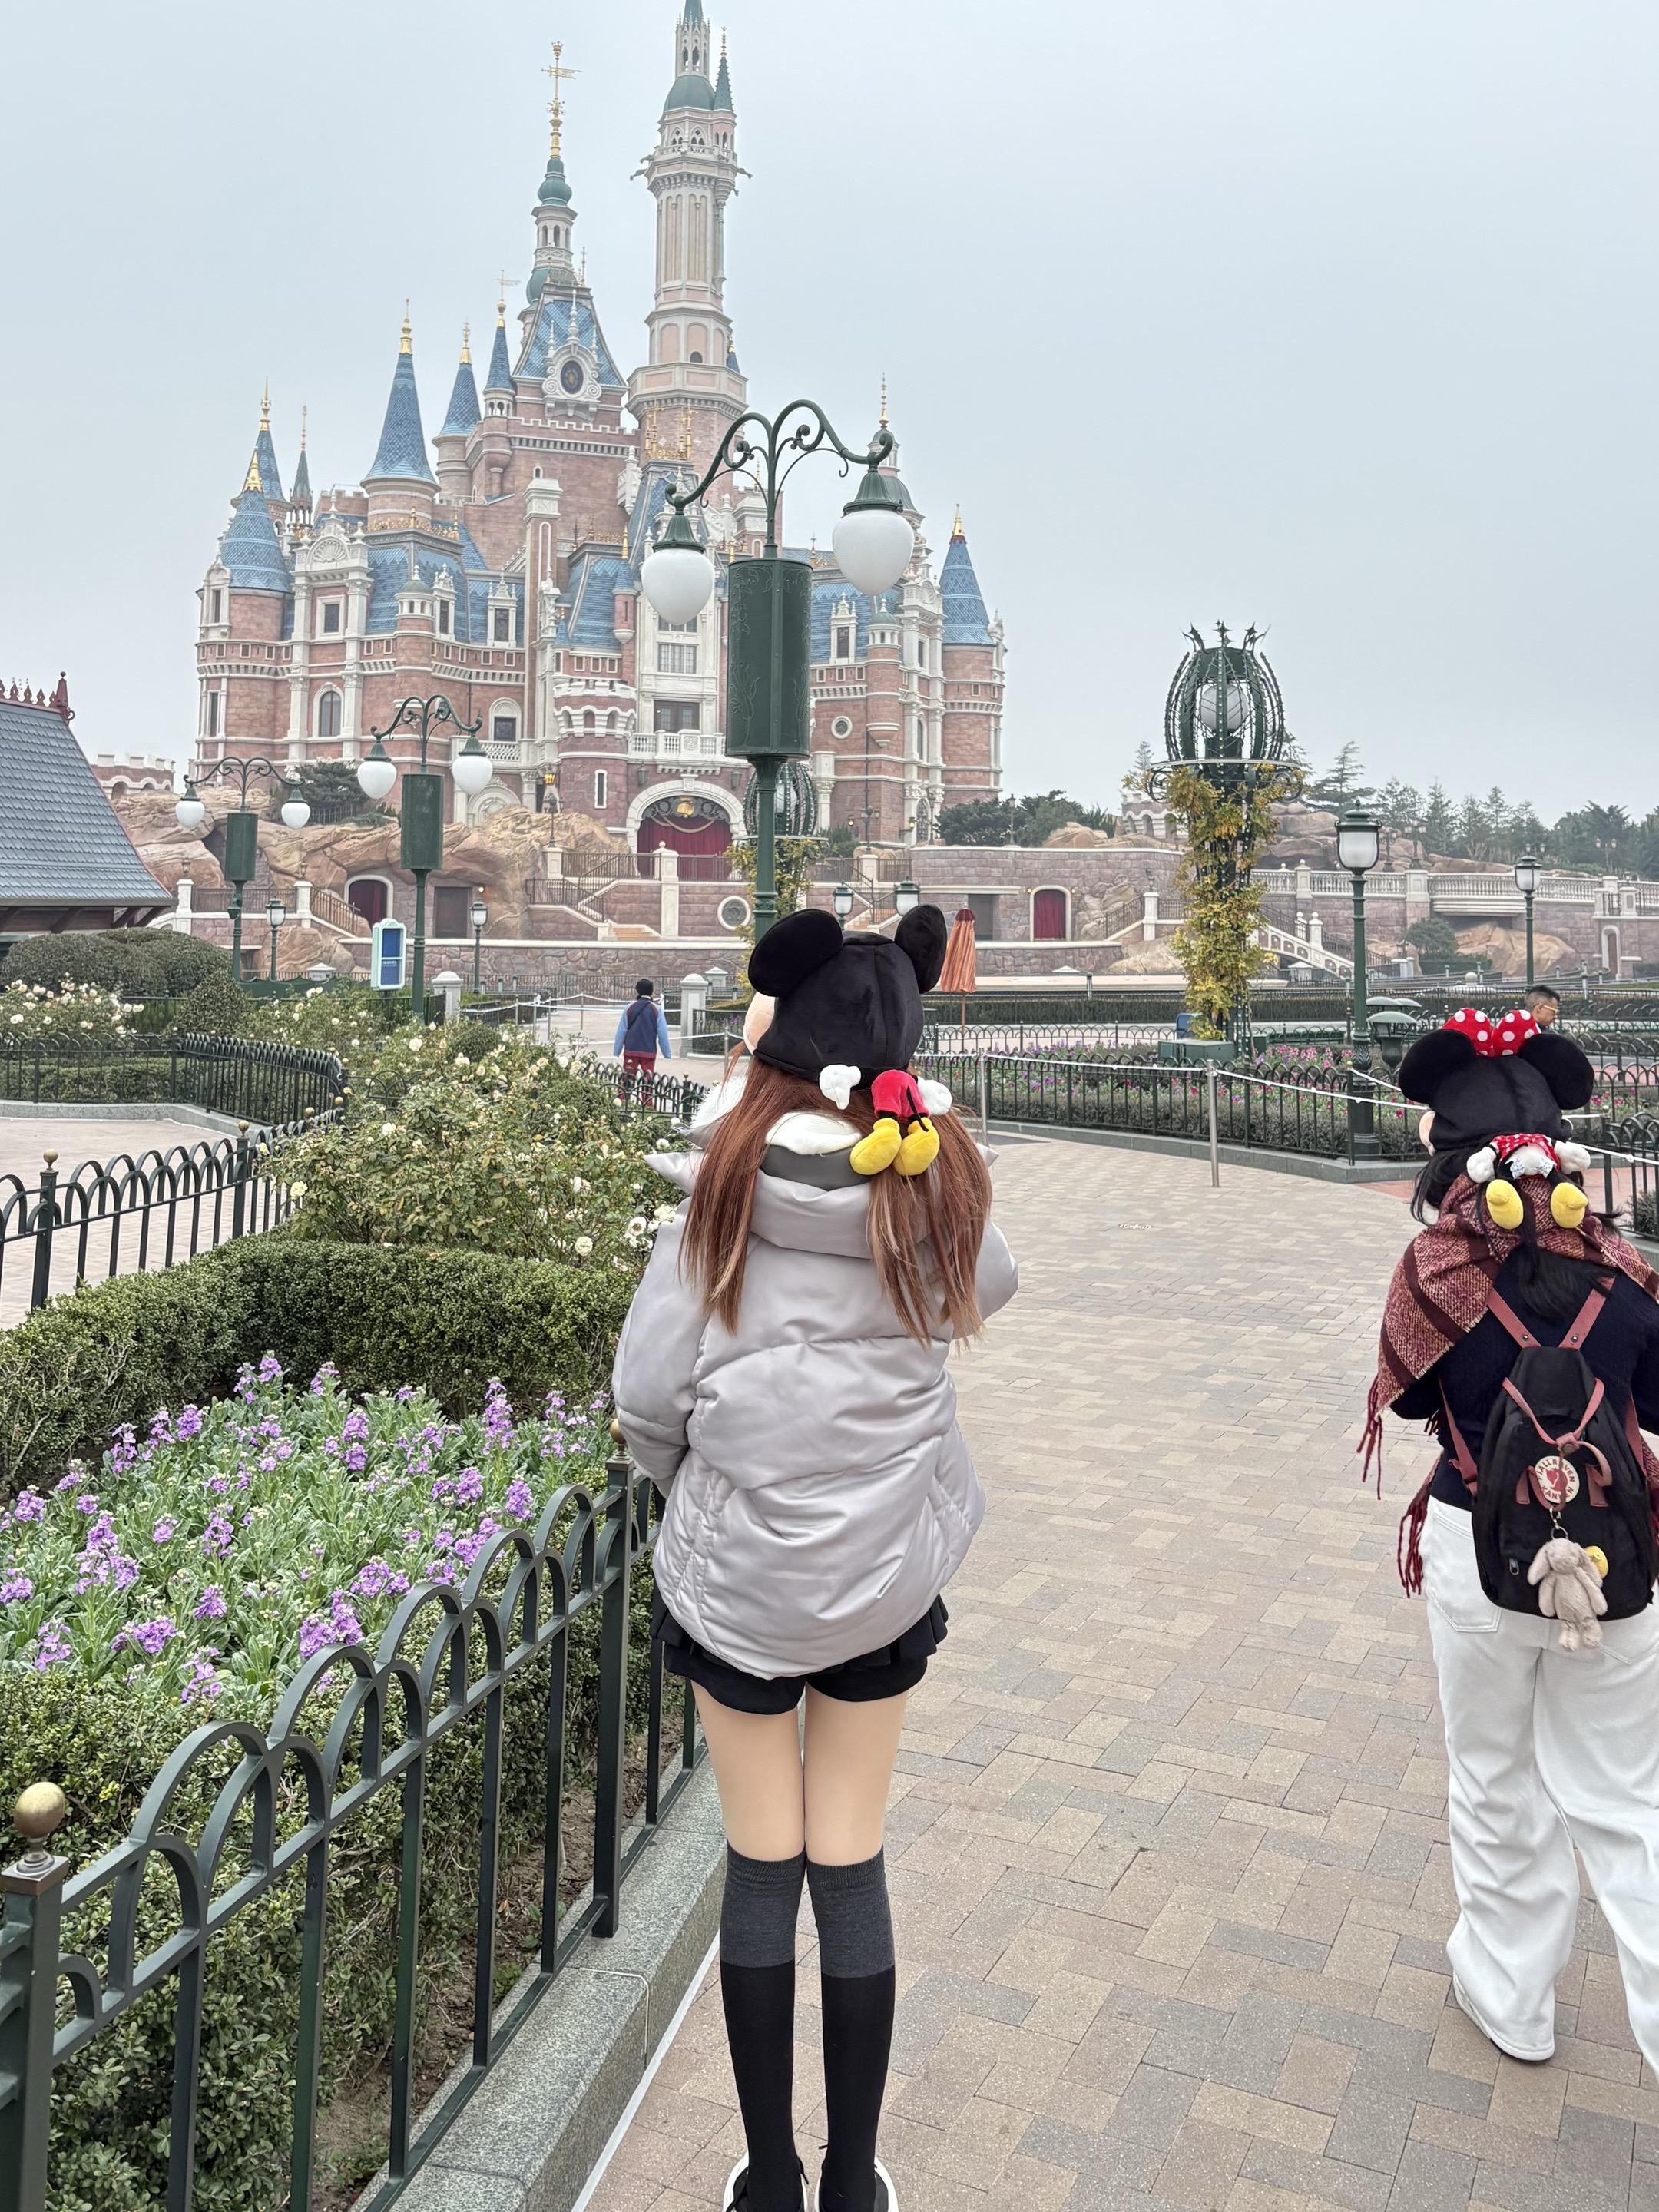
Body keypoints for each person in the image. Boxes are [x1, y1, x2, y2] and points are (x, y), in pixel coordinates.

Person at [613, 906, 1018, 2212]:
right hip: (882, 1585)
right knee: (849, 1857)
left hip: (739, 1592)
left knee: (760, 1859)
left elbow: (648, 1405)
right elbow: (992, 1287)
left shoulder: (718, 1204)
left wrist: (704, 1496)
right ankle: (852, 2179)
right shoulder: (933, 1201)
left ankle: (771, 2182)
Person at [1363, 1004, 1659, 2070]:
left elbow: (1408, 1401)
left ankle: (1513, 2001)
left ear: (1449, 1161)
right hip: (1618, 1558)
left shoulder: (1434, 1272)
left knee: (1494, 1778)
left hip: (1477, 1550)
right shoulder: (1621, 1270)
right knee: (1628, 1799)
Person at [614, 977, 671, 1072]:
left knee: (628, 1076)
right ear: (651, 991)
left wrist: (617, 1051)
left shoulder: (629, 1008)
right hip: (649, 1050)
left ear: (638, 991)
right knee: (648, 1077)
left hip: (631, 1049)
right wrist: (667, 1053)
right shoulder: (656, 1009)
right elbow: (663, 1033)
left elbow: (622, 1031)